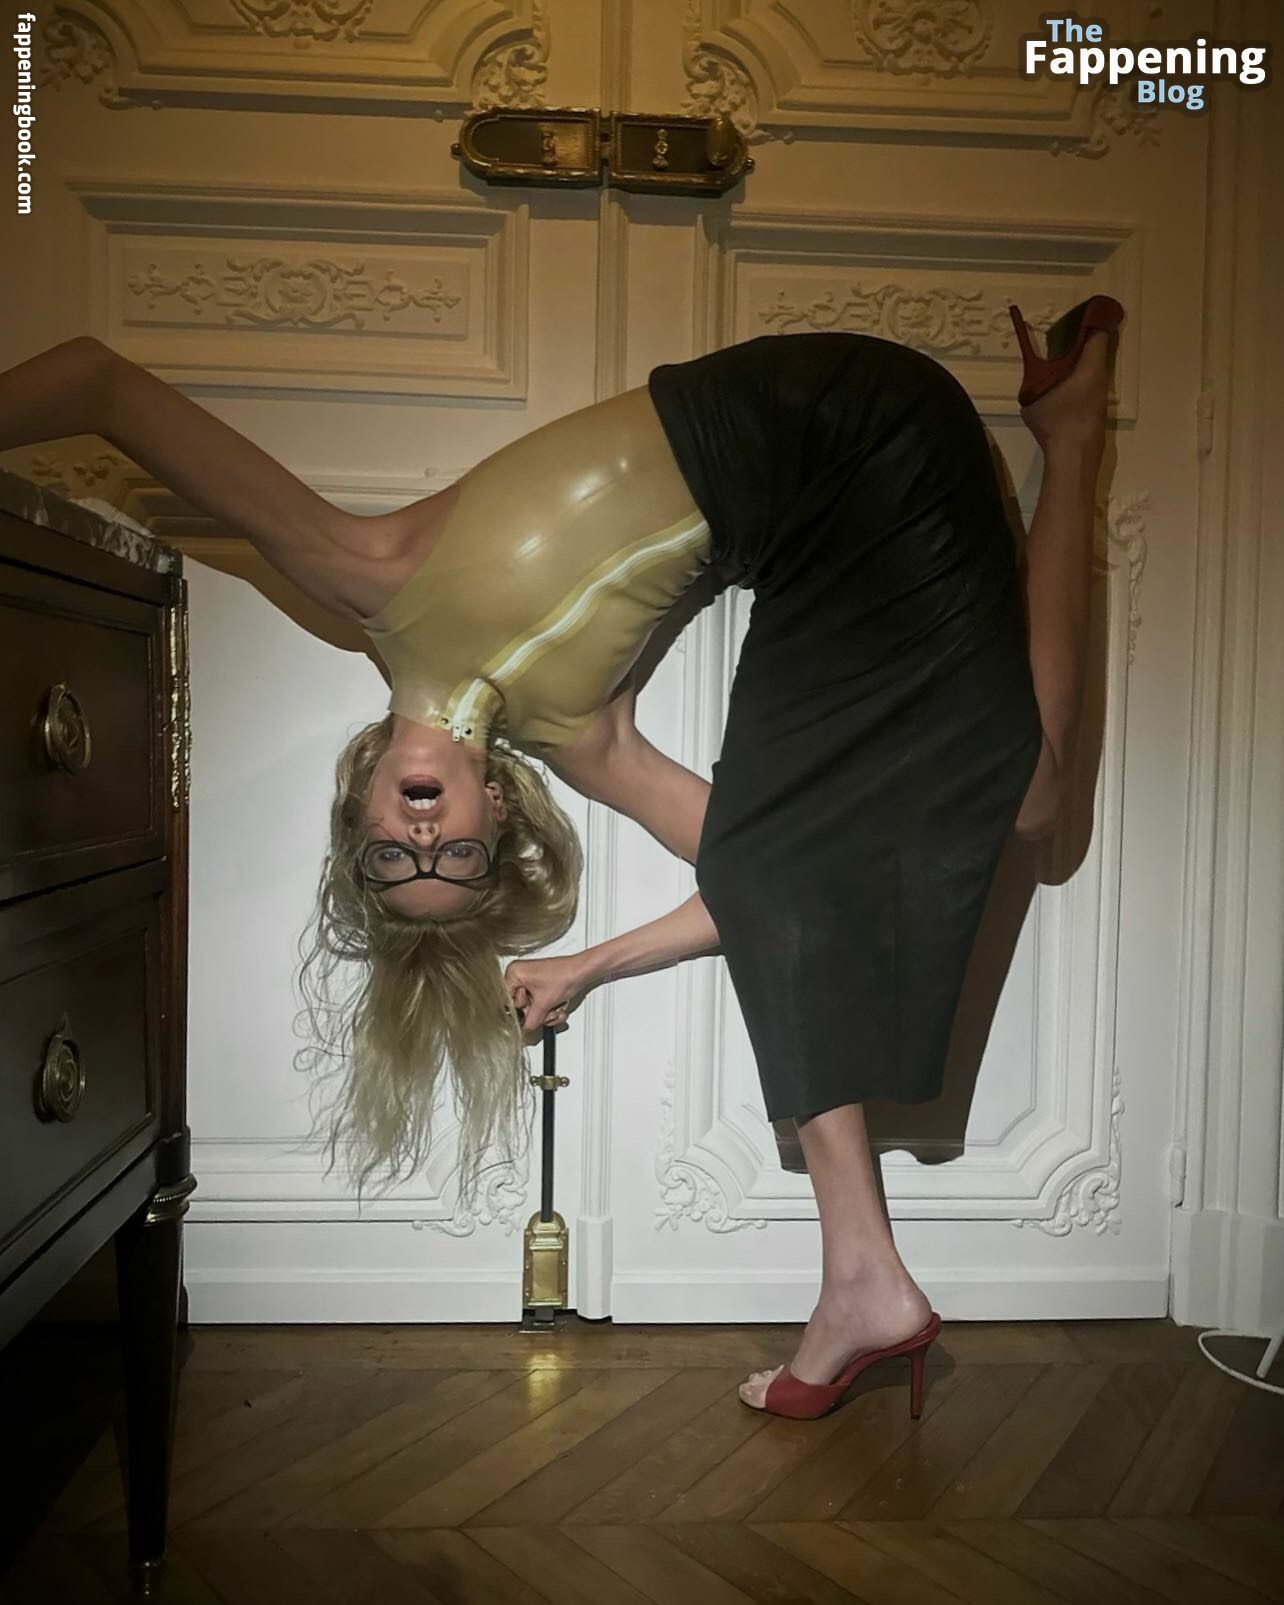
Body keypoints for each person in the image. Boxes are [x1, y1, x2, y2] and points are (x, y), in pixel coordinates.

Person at [0, 295, 1120, 1418]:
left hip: (834, 431)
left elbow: (99, 381)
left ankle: (861, 1278)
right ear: (497, 815)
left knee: (881, 836)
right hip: (844, 525)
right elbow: (768, 890)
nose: (426, 843)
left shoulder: (363, 577)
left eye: (394, 862)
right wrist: (587, 965)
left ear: (361, 807)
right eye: (454, 864)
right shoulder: (581, 738)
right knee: (1027, 800)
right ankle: (1069, 434)